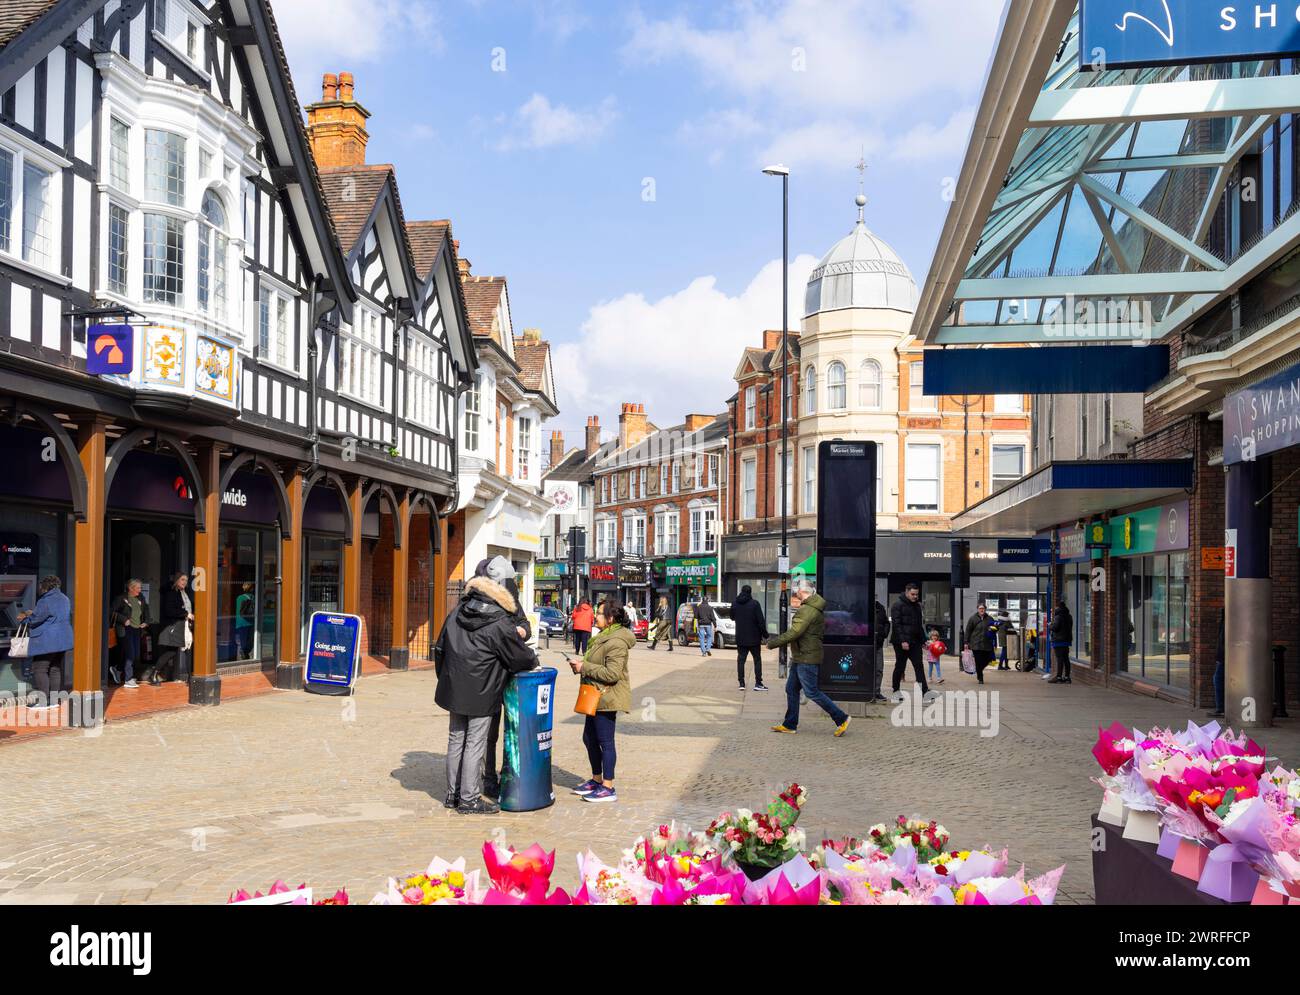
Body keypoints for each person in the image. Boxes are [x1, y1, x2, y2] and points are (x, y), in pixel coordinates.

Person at [434, 567, 537, 815]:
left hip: (455, 687)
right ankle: (469, 799)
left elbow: (439, 649)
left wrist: (446, 678)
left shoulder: (457, 612)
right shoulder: (499, 621)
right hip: (482, 689)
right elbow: (521, 657)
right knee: (474, 743)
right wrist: (532, 658)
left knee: (456, 739)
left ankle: (453, 794)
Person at [569, 597, 635, 803]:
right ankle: (596, 779)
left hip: (607, 696)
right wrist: (581, 664)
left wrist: (584, 667)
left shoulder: (616, 641)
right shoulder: (603, 636)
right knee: (589, 738)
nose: (595, 616)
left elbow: (612, 674)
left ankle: (608, 786)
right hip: (594, 694)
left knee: (605, 742)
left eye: (599, 613)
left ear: (611, 618)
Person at [478, 556, 531, 800]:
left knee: (514, 729)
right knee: (490, 731)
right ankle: (488, 777)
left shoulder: (510, 593)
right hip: (489, 672)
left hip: (510, 672)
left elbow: (523, 621)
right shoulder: (479, 599)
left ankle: (511, 775)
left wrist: (523, 630)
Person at [768, 582, 850, 737]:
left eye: (797, 589)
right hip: (801, 656)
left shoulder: (807, 610)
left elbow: (794, 632)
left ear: (802, 591)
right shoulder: (812, 607)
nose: (795, 592)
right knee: (791, 689)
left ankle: (842, 718)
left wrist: (772, 643)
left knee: (812, 692)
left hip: (807, 657)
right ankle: (790, 724)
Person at [19, 575, 72, 706]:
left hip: (47, 641)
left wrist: (23, 618)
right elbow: (51, 616)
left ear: (45, 587)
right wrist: (34, 613)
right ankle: (53, 701)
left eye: (41, 586)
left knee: (39, 668)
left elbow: (35, 620)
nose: (39, 589)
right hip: (62, 640)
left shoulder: (45, 600)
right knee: (55, 669)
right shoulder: (64, 598)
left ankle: (43, 702)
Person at [889, 582, 929, 699]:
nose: (915, 597)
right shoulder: (897, 605)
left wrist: (923, 640)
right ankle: (896, 691)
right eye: (913, 594)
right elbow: (897, 625)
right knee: (900, 667)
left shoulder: (917, 606)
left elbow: (919, 625)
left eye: (916, 594)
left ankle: (925, 692)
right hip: (901, 643)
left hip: (915, 642)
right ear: (906, 592)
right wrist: (903, 641)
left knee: (919, 666)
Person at [109, 579, 149, 688]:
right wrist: (123, 620)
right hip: (125, 629)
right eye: (138, 588)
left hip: (136, 629)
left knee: (135, 654)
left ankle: (117, 669)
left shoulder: (141, 598)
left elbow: (146, 610)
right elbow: (112, 612)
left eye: (140, 588)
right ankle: (128, 679)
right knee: (130, 654)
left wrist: (145, 622)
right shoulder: (121, 598)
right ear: (131, 588)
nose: (140, 590)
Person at [157, 572, 194, 684]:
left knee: (189, 651)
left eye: (186, 580)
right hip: (176, 626)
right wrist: (185, 614)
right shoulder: (171, 593)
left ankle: (190, 678)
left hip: (186, 626)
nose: (185, 582)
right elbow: (169, 611)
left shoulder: (185, 593)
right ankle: (154, 673)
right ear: (176, 580)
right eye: (182, 579)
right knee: (171, 652)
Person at [731, 585, 768, 691]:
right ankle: (758, 683)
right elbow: (761, 622)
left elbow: (732, 617)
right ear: (750, 592)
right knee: (757, 660)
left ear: (741, 591)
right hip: (754, 638)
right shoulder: (755, 604)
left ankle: (741, 683)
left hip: (741, 638)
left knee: (741, 660)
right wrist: (765, 635)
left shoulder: (735, 603)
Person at [964, 603, 996, 685]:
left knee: (988, 659)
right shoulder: (973, 618)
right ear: (978, 609)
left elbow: (994, 629)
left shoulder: (989, 618)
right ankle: (980, 678)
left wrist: (995, 629)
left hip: (987, 644)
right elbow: (968, 630)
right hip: (976, 643)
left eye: (983, 608)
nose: (982, 610)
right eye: (980, 608)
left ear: (985, 609)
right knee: (978, 661)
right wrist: (966, 642)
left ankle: (978, 670)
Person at [1049, 599, 1073, 684]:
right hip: (1066, 640)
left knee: (1059, 659)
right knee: (1066, 658)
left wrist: (1050, 625)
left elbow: (1055, 628)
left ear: (1058, 607)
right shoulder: (1069, 616)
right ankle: (1067, 677)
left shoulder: (1058, 617)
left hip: (1058, 641)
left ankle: (1058, 677)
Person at [871, 599, 890, 704]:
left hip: (878, 643)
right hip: (865, 645)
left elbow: (886, 623)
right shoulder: (860, 604)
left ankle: (876, 692)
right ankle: (867, 691)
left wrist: (884, 634)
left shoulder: (880, 607)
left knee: (879, 668)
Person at [234, 582, 256, 660]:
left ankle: (242, 656)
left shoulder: (239, 598)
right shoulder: (253, 597)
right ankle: (246, 654)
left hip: (241, 623)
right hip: (251, 622)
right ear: (252, 589)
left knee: (241, 642)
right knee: (249, 641)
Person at [1211, 609, 1226, 718]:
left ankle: (1221, 707)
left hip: (1225, 657)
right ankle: (1220, 707)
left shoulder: (1229, 620)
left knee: (1218, 679)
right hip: (1222, 656)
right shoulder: (1225, 620)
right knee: (1218, 679)